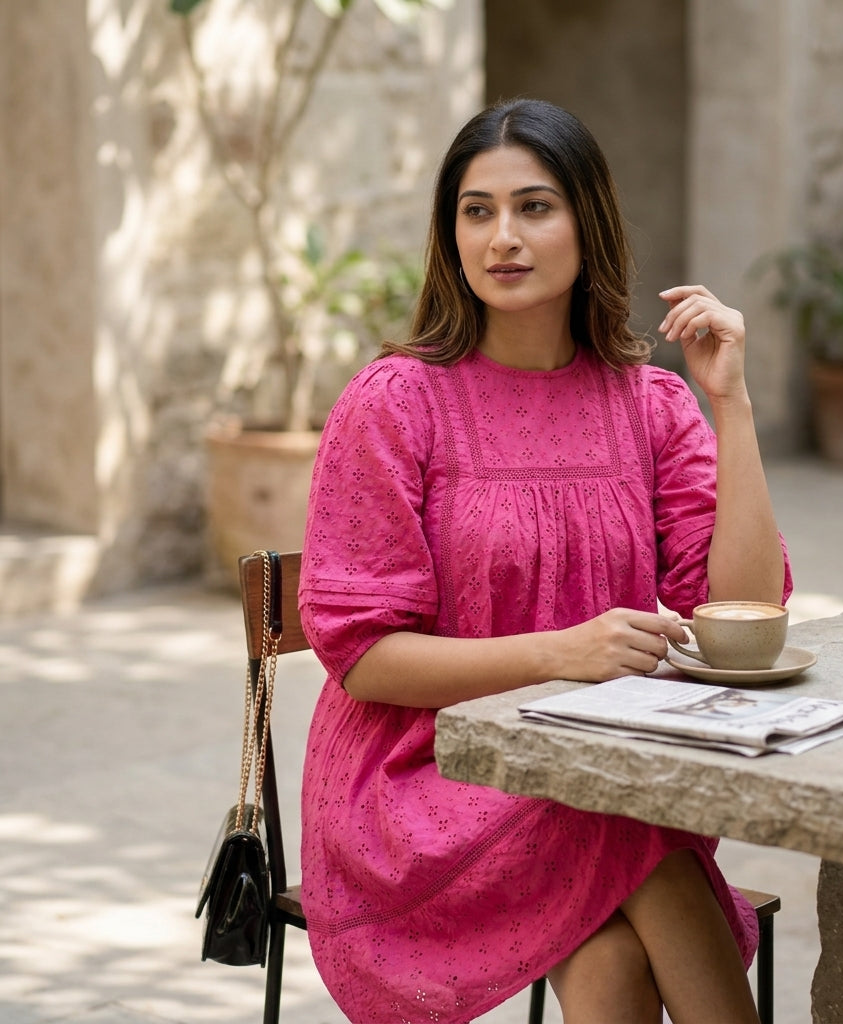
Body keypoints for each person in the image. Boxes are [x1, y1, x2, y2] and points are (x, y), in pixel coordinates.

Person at [298, 97, 791, 1024]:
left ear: (586, 223)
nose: (503, 238)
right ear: (450, 236)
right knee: (631, 825)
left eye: (534, 207)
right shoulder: (396, 403)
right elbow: (363, 658)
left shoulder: (648, 403)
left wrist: (733, 407)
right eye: (476, 212)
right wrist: (561, 653)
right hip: (423, 776)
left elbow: (747, 612)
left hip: (583, 766)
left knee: (610, 951)